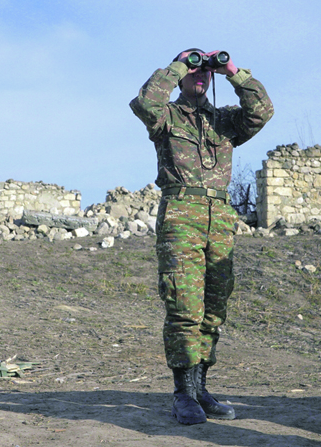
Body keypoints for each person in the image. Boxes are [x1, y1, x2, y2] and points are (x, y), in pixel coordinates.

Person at [129, 48, 274, 424]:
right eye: (193, 70)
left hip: (220, 220)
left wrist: (231, 71)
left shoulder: (224, 120)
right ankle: (184, 394)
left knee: (214, 309)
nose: (199, 75)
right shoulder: (167, 116)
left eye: (203, 71)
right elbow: (145, 103)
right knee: (183, 306)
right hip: (180, 217)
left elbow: (262, 111)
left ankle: (202, 387)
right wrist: (179, 63)